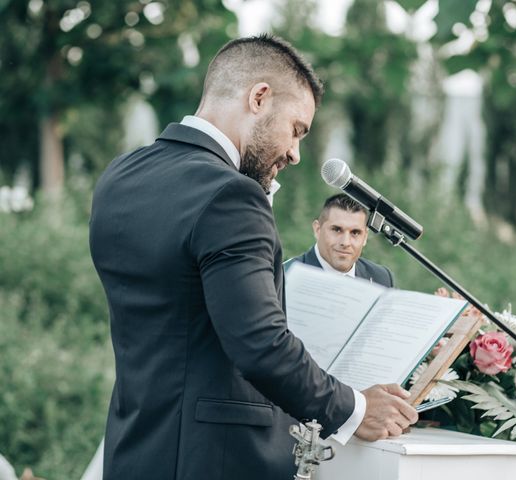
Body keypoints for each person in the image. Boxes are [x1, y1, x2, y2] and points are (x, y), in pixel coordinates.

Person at [89, 34, 417, 480]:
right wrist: (356, 409)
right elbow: (260, 344)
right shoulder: (232, 196)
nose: (295, 153)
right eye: (297, 129)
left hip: (135, 449)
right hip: (216, 462)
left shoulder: (122, 174)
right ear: (259, 97)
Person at [286, 194, 394, 287]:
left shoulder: (382, 279)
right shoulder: (284, 276)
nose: (345, 242)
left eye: (355, 233)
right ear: (317, 230)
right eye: (337, 230)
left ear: (365, 236)